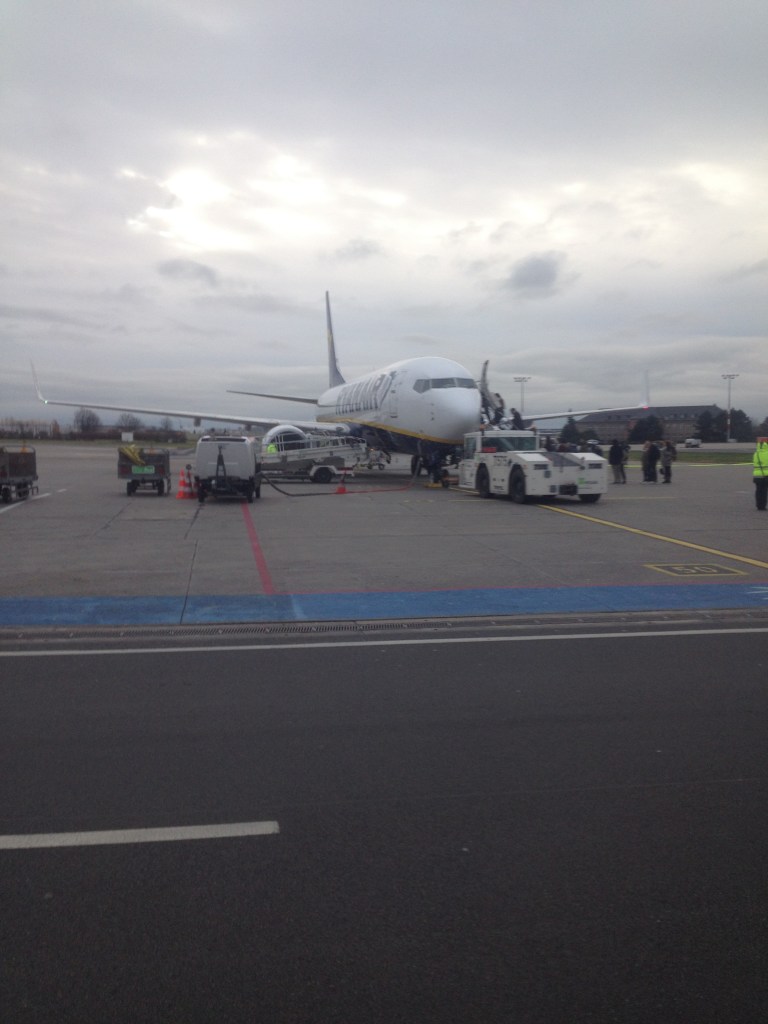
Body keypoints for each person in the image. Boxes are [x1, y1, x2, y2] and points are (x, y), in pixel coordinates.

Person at [753, 437, 768, 511]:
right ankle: (763, 506)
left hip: (757, 475)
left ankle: (759, 505)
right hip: (765, 475)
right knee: (764, 491)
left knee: (758, 491)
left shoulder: (756, 454)